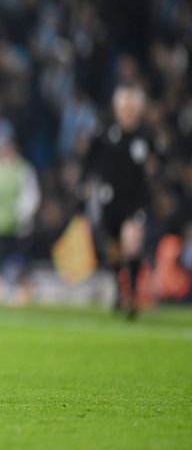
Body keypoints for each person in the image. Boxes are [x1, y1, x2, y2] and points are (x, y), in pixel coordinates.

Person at [83, 84, 158, 319]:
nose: (127, 112)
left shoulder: (146, 135)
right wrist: (85, 186)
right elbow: (89, 161)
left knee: (131, 242)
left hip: (136, 200)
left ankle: (132, 294)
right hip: (110, 199)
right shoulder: (105, 133)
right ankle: (119, 288)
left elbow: (159, 161)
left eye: (131, 108)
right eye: (124, 108)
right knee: (114, 248)